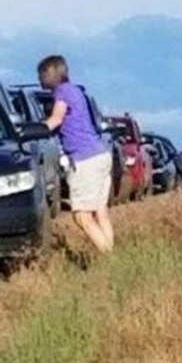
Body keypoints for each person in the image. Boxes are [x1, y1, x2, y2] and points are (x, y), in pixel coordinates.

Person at [38, 55, 114, 253]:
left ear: (50, 74)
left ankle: (107, 255)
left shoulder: (62, 92)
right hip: (100, 153)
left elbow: (56, 119)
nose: (40, 79)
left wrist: (33, 129)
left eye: (41, 74)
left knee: (81, 215)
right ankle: (111, 253)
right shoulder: (76, 91)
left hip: (84, 158)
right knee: (100, 211)